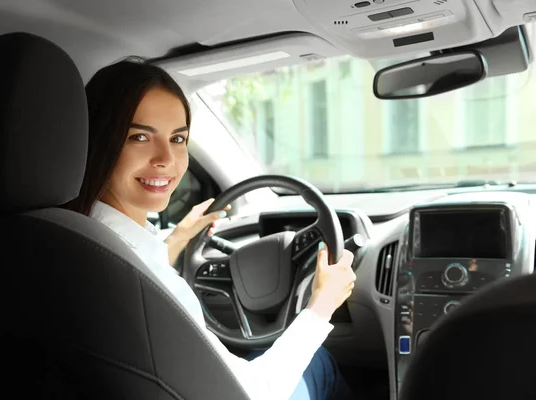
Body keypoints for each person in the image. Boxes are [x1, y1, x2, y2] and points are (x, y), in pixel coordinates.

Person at [65, 57, 357, 400]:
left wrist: (172, 242)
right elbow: (254, 393)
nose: (167, 159)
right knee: (319, 363)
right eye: (140, 137)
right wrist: (321, 305)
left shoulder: (65, 236)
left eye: (177, 138)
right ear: (100, 141)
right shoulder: (143, 283)